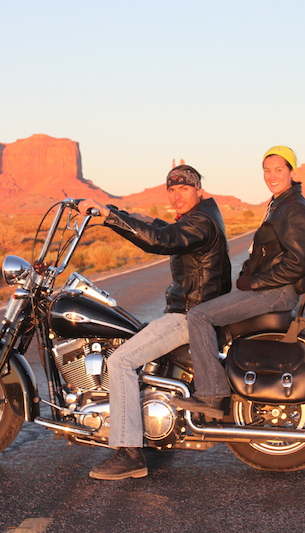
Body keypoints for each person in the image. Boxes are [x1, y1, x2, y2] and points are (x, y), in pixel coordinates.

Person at [80, 164, 231, 480]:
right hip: (191, 311)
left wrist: (111, 218)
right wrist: (112, 212)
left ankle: (129, 452)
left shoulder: (201, 221)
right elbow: (159, 226)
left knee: (120, 361)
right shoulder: (201, 215)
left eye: (184, 189)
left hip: (190, 316)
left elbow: (160, 240)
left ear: (197, 189)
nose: (177, 196)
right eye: (172, 191)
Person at [171, 146, 305, 419]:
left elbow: (296, 264)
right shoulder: (281, 202)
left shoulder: (292, 207)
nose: (271, 176)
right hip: (271, 288)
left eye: (278, 170)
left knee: (199, 316)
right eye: (267, 170)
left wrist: (256, 282)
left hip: (276, 292)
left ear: (291, 172)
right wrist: (248, 274)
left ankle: (212, 396)